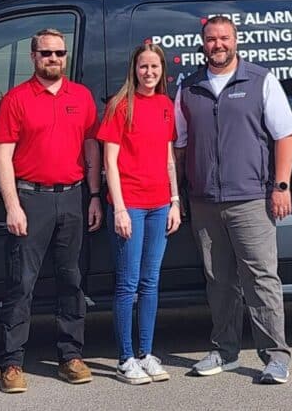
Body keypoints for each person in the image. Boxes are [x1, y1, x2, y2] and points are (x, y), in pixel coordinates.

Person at [174, 15, 292, 384]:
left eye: (224, 38)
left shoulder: (261, 81)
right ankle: (225, 351)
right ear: (203, 43)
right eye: (211, 39)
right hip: (204, 201)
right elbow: (179, 147)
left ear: (236, 40)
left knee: (261, 278)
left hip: (250, 199)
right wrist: (179, 195)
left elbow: (284, 137)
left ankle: (275, 357)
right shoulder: (189, 87)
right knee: (218, 280)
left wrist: (281, 187)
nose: (218, 45)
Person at [0, 28, 102, 392]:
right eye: (46, 53)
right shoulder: (16, 99)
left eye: (59, 53)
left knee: (71, 280)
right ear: (33, 57)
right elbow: (3, 157)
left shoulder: (82, 97)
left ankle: (70, 355)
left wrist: (94, 195)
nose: (53, 59)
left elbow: (91, 148)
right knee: (21, 283)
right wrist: (12, 205)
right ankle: (11, 363)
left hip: (72, 197)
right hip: (30, 199)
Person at [97, 44, 182, 385]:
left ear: (163, 71)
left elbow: (169, 158)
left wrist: (175, 200)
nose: (149, 72)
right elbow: (110, 162)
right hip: (129, 204)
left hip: (159, 204)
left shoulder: (165, 105)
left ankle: (146, 354)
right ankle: (125, 358)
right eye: (143, 66)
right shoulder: (120, 106)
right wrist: (118, 208)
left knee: (150, 283)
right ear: (134, 69)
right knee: (128, 284)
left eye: (155, 67)